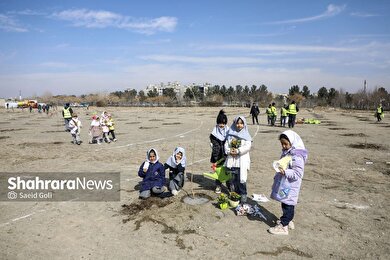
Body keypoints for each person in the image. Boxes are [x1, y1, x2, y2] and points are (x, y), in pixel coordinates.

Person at [268, 130, 308, 235]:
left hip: (291, 186)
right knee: (285, 203)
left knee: (288, 205)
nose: (284, 146)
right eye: (282, 144)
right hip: (286, 185)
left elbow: (298, 173)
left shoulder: (297, 156)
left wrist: (285, 171)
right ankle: (288, 221)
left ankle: (284, 226)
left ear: (292, 142)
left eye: (286, 143)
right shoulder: (288, 152)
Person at [224, 116, 252, 204]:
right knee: (233, 180)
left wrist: (238, 151)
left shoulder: (246, 135)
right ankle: (235, 194)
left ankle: (243, 194)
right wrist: (229, 151)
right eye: (237, 123)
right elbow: (226, 145)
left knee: (241, 180)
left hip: (241, 161)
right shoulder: (230, 134)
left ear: (244, 124)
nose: (239, 125)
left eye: (241, 123)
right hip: (232, 161)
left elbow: (248, 146)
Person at [209, 110, 229, 193]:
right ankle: (218, 185)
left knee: (228, 170)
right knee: (218, 171)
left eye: (224, 123)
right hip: (218, 156)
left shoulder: (228, 131)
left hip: (227, 155)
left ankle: (229, 185)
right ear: (217, 123)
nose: (222, 125)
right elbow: (213, 143)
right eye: (220, 123)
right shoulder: (214, 133)